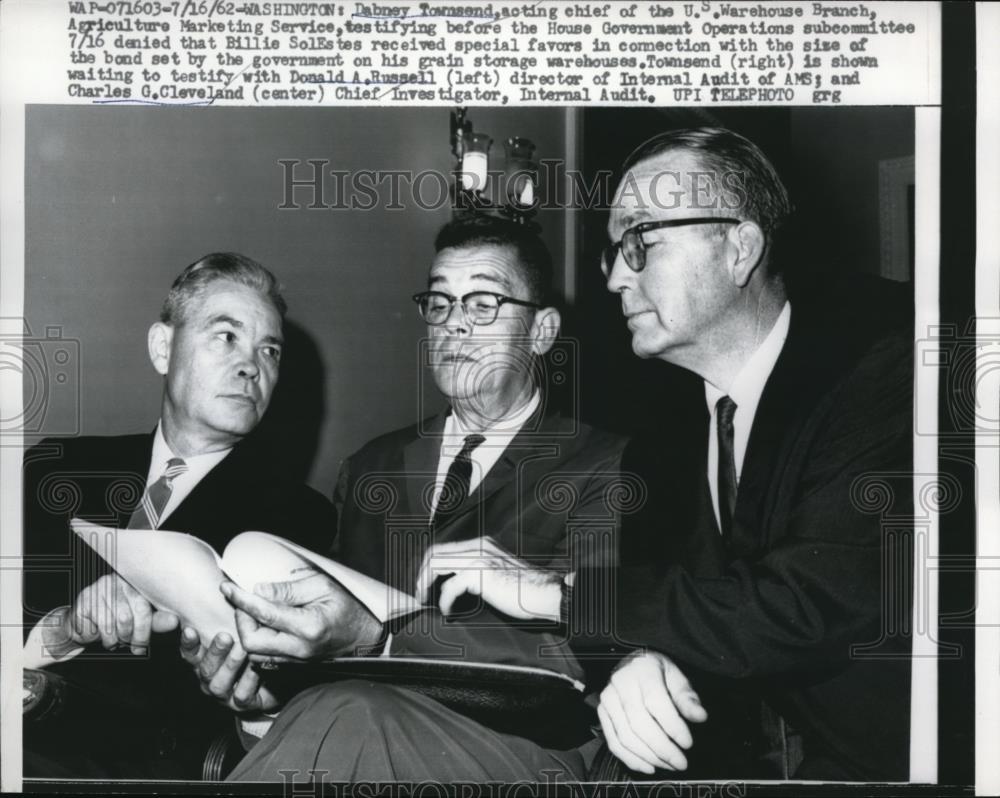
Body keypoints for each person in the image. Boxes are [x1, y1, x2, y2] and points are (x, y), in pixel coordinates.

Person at [417, 128, 914, 781]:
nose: (618, 276)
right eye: (613, 252)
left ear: (739, 249)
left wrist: (550, 592)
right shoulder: (660, 434)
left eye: (640, 241)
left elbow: (807, 604)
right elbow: (678, 606)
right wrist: (638, 661)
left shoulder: (884, 366)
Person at [206, 215, 628, 782]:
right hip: (348, 734)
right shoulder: (371, 466)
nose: (454, 325)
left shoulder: (603, 464)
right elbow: (330, 641)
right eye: (440, 303)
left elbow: (580, 655)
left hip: (525, 753)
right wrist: (266, 697)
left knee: (347, 711)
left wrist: (382, 637)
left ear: (542, 331)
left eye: (483, 305)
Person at [22, 252, 337, 779]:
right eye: (226, 336)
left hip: (122, 768)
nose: (251, 365)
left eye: (270, 350)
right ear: (163, 348)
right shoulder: (57, 468)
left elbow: (261, 701)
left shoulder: (297, 520)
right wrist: (68, 628)